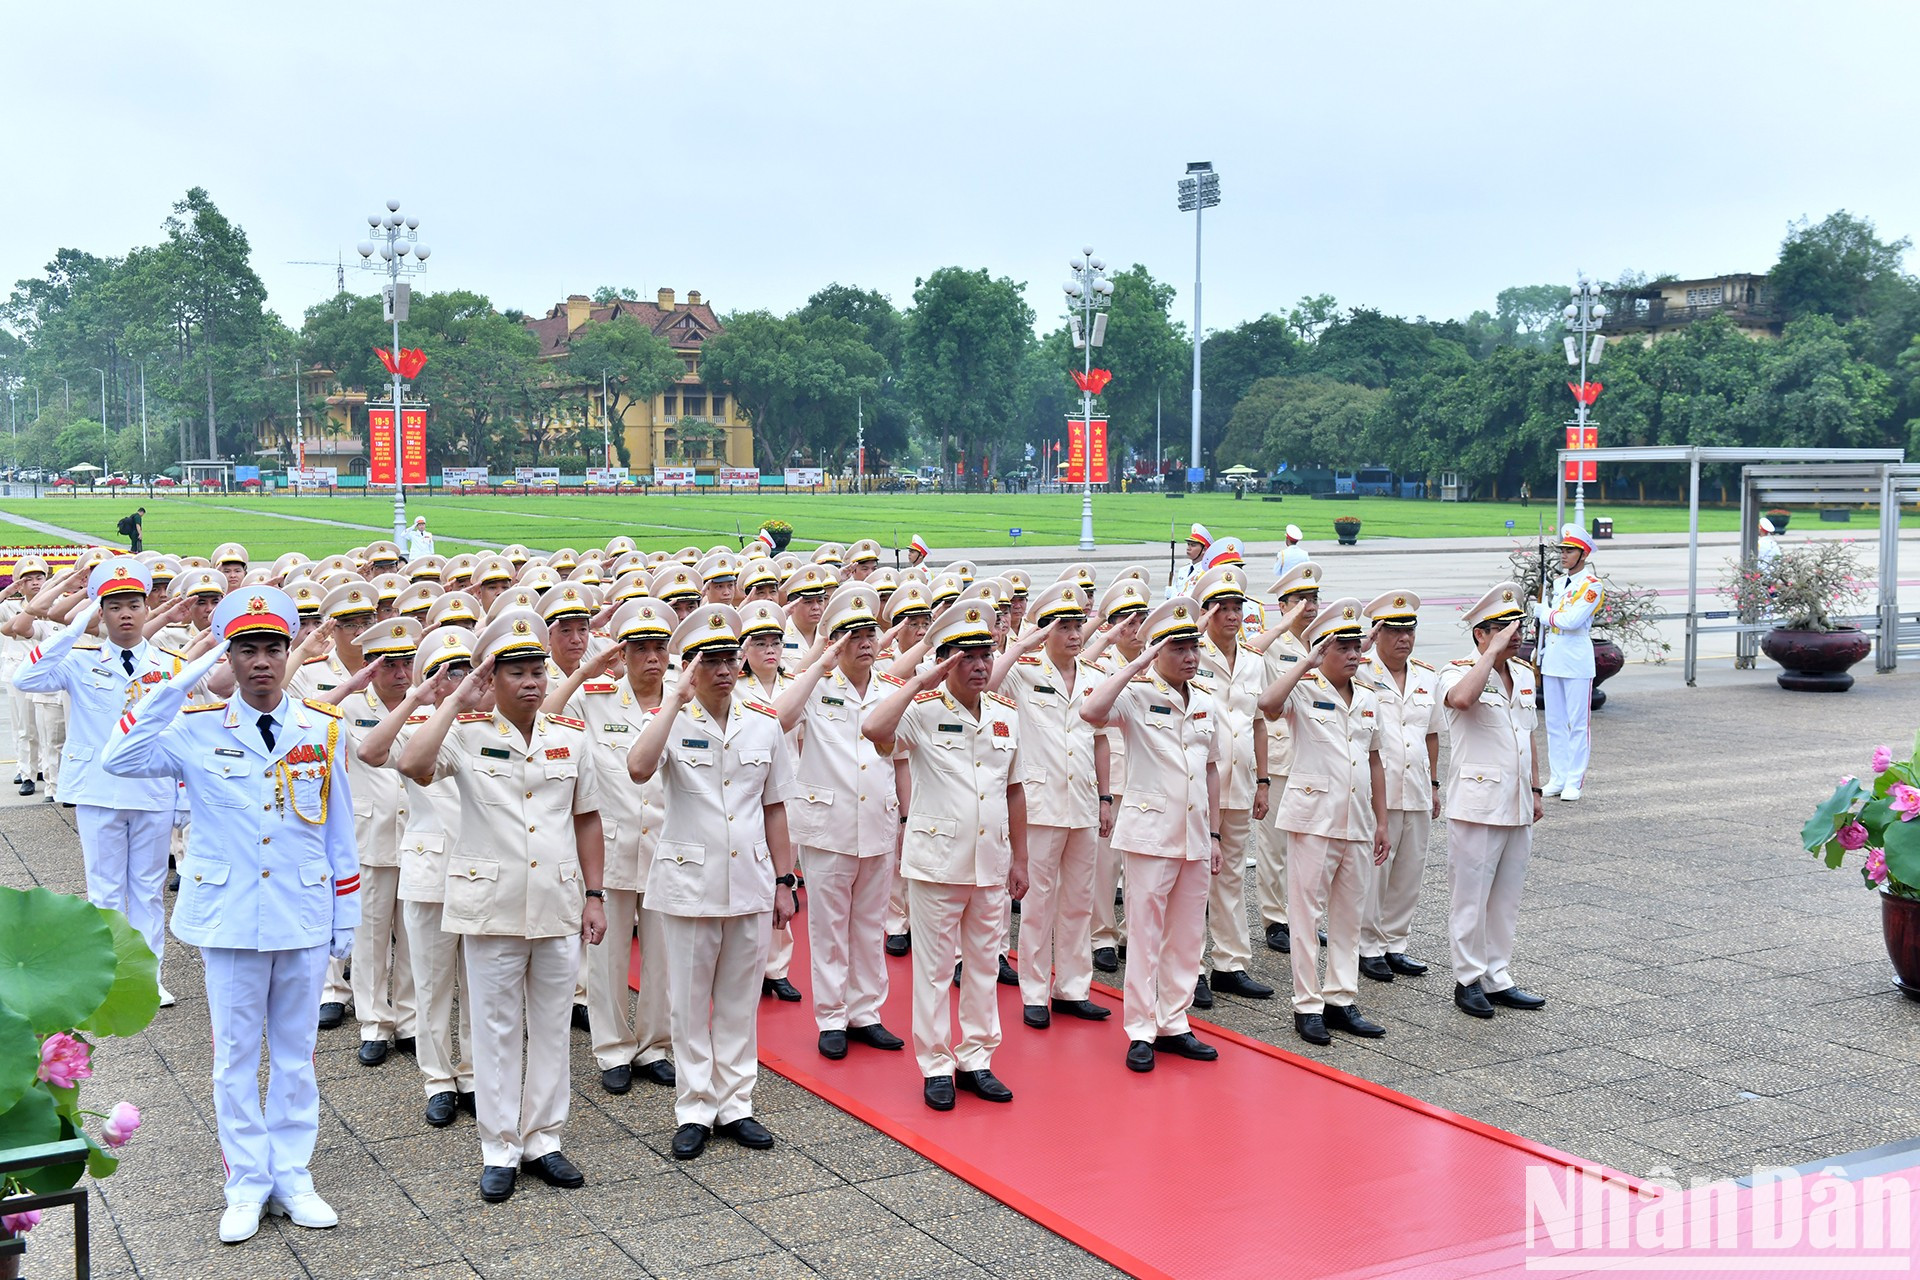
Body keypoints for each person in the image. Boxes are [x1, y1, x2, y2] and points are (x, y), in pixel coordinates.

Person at [101, 586, 360, 1245]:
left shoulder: (322, 728)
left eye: (273, 647)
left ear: (289, 652)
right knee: (236, 1058)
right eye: (247, 649)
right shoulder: (194, 728)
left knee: (297, 1056)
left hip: (302, 910)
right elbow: (119, 757)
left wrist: (347, 914)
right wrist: (179, 682)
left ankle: (293, 1176)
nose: (262, 661)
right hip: (230, 917)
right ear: (230, 657)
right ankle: (245, 1183)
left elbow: (339, 831)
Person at [397, 609, 609, 1204]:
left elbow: (587, 818)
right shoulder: (465, 733)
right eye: (516, 672)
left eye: (537, 670)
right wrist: (456, 697)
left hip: (558, 901)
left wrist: (596, 896)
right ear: (492, 679)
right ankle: (499, 1147)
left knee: (551, 1027)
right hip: (491, 905)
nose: (532, 681)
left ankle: (544, 1139)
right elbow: (412, 764)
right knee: (494, 1028)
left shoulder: (570, 735)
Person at [626, 603, 800, 1161]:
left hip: (750, 878)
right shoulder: (670, 718)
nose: (724, 670)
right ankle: (696, 1107)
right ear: (690, 667)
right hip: (689, 883)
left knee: (739, 1002)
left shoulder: (764, 721)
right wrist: (674, 700)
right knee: (688, 1002)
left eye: (730, 659)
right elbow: (638, 767)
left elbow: (775, 807)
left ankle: (736, 1104)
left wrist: (785, 880)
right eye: (710, 661)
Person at [864, 602, 1030, 1112]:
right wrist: (920, 681)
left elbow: (1015, 790)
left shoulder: (1005, 715)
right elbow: (874, 729)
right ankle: (936, 1064)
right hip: (937, 862)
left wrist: (1021, 859)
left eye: (985, 655)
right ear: (945, 661)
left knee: (983, 966)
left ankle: (976, 1058)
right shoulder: (922, 711)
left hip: (990, 861)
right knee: (935, 971)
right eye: (967, 656)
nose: (980, 665)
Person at [15, 558, 190, 1007]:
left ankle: (147, 978)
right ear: (101, 613)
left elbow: (182, 732)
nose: (125, 614)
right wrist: (73, 629)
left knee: (148, 890)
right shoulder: (79, 659)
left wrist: (183, 795)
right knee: (105, 890)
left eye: (133, 605)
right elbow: (25, 677)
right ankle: (108, 979)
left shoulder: (170, 666)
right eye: (114, 607)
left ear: (147, 608)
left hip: (152, 789)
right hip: (98, 788)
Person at [1079, 597, 1222, 1073]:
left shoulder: (1205, 700)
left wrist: (1216, 835)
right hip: (1149, 835)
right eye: (1178, 648)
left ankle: (1174, 1022)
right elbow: (1091, 712)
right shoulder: (1136, 695)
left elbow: (1212, 769)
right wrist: (1135, 665)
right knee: (1144, 934)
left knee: (1188, 935)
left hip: (1195, 834)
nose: (1190, 657)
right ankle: (1141, 1029)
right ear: (1157, 652)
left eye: (1193, 648)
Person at [546, 597, 679, 1095]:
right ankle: (613, 1048)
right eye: (640, 648)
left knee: (663, 956)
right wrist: (584, 673)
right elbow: (545, 717)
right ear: (621, 654)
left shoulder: (682, 702)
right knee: (606, 959)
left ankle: (655, 1045)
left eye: (659, 648)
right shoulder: (596, 698)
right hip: (611, 847)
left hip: (669, 847)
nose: (652, 658)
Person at [775, 585, 908, 1058]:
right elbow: (779, 719)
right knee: (830, 928)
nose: (866, 642)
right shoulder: (816, 687)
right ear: (835, 642)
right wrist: (819, 664)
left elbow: (901, 760)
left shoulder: (890, 688)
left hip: (877, 821)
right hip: (828, 825)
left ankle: (865, 1012)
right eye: (853, 636)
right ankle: (831, 1016)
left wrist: (906, 817)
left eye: (870, 633)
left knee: (870, 926)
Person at [1255, 598, 1390, 1046]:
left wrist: (1382, 822)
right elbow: (1267, 704)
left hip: (1357, 820)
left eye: (1356, 646)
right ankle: (1307, 1004)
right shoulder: (1303, 688)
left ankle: (1341, 999)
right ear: (1321, 650)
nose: (1354, 654)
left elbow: (1375, 762)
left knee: (1348, 916)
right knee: (1305, 915)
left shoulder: (1368, 697)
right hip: (1313, 819)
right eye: (1343, 647)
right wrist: (1304, 665)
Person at [991, 582, 1107, 1029]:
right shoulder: (1023, 669)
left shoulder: (1093, 675)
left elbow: (1099, 739)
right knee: (1038, 904)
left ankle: (1073, 989)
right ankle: (1035, 992)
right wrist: (1023, 644)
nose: (1075, 635)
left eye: (1078, 625)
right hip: (1039, 804)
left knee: (1079, 902)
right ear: (1045, 631)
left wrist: (1105, 797)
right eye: (1065, 627)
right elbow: (991, 683)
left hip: (1083, 801)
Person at [1440, 583, 1547, 1020]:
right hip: (1477, 804)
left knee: (1505, 898)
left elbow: (1527, 733)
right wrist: (1491, 655)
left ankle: (1497, 975)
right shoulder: (1456, 671)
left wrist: (1536, 789)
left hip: (1516, 801)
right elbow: (1462, 700)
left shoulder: (1521, 673)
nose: (1513, 635)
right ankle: (1468, 979)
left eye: (1516, 627)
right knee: (1471, 897)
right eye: (1502, 628)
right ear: (1480, 634)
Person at [336, 616, 421, 1066]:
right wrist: (350, 686)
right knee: (369, 940)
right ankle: (373, 1022)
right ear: (370, 665)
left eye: (408, 662)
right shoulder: (348, 707)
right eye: (390, 664)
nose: (401, 673)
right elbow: (304, 711)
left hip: (419, 839)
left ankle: (409, 1020)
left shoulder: (427, 705)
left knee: (413, 939)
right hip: (369, 838)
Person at [1189, 565, 1274, 1008]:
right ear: (1206, 612)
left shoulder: (1254, 660)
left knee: (1232, 875)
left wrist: (1263, 781)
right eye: (1222, 607)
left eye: (1237, 606)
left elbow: (1258, 722)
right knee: (1195, 879)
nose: (1232, 614)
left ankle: (1230, 964)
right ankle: (1192, 969)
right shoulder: (1189, 653)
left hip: (1239, 781)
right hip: (1198, 784)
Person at [1357, 591, 1439, 983]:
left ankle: (1394, 943)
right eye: (1394, 631)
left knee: (1409, 870)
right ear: (1378, 633)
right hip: (1380, 789)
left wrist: (1434, 783)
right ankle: (1367, 946)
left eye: (1410, 630)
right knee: (1375, 872)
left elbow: (1432, 734)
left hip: (1417, 785)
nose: (1404, 638)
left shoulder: (1426, 676)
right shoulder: (1360, 671)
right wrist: (1361, 648)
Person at [1246, 560, 1324, 954]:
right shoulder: (1271, 645)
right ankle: (1275, 918)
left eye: (1314, 599)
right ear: (1282, 606)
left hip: (1315, 756)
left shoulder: (1323, 642)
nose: (1309, 607)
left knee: (1310, 845)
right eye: (1300, 600)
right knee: (1274, 846)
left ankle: (1304, 915)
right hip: (1279, 756)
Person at [1084, 578, 1152, 974]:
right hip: (1110, 776)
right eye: (1127, 622)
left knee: (1138, 864)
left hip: (1146, 776)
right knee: (1105, 865)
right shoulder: (1099, 664)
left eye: (1140, 620)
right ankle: (1102, 936)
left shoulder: (1156, 661)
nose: (1136, 629)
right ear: (1111, 626)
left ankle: (1131, 933)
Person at [1531, 524, 1602, 802]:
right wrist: (1539, 649)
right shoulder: (1559, 584)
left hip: (1575, 659)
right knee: (1555, 722)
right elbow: (1550, 626)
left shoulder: (1592, 586)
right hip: (1553, 657)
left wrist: (1544, 613)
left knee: (1577, 723)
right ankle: (1558, 777)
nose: (1563, 555)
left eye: (1569, 551)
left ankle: (1574, 781)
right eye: (1562, 550)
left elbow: (1572, 621)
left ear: (1583, 555)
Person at [1, 556, 52, 796]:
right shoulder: (10, 607)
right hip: (18, 672)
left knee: (48, 726)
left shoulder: (54, 606)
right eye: (28, 579)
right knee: (25, 726)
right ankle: (27, 773)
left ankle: (43, 767)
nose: (35, 583)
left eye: (39, 577)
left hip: (46, 673)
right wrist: (8, 591)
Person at [1167, 523, 1210, 600]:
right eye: (1188, 544)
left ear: (1204, 550)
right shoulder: (1183, 570)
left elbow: (1193, 595)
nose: (1188, 548)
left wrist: (1173, 594)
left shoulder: (1206, 572)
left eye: (1193, 545)